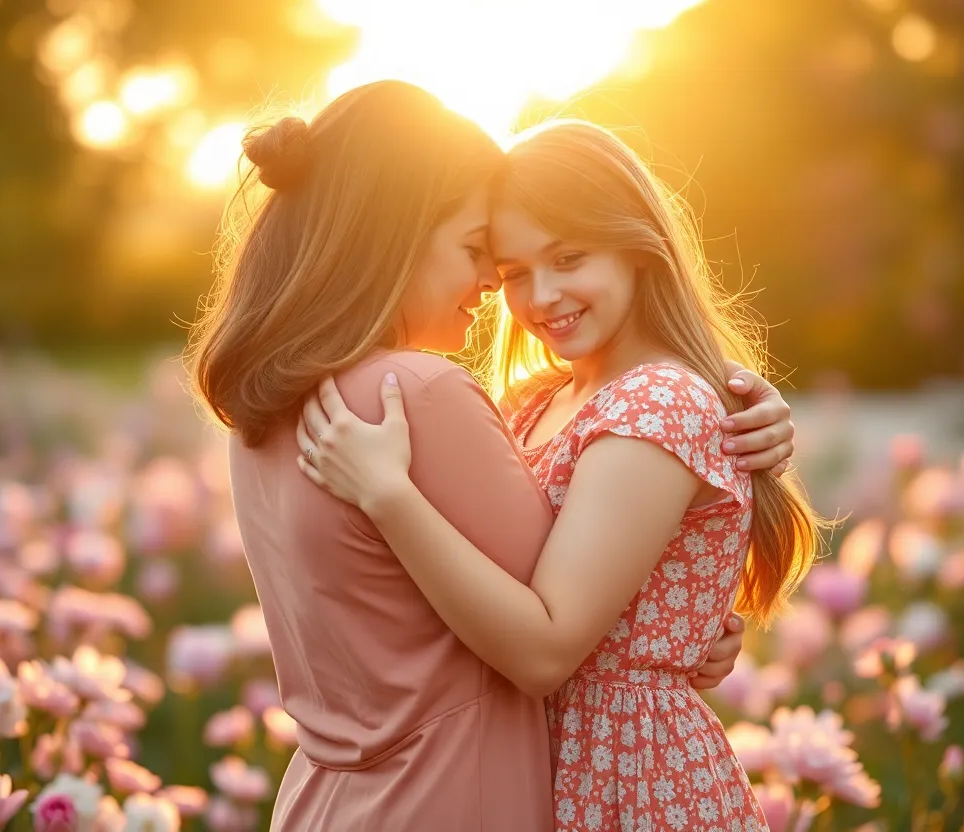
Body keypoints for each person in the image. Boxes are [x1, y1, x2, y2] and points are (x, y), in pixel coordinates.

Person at [188, 81, 796, 831]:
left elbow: (552, 635)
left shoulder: (662, 402)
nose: (540, 295)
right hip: (540, 758)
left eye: (569, 256)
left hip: (627, 778)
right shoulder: (534, 401)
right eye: (509, 270)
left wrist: (391, 496)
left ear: (638, 246)